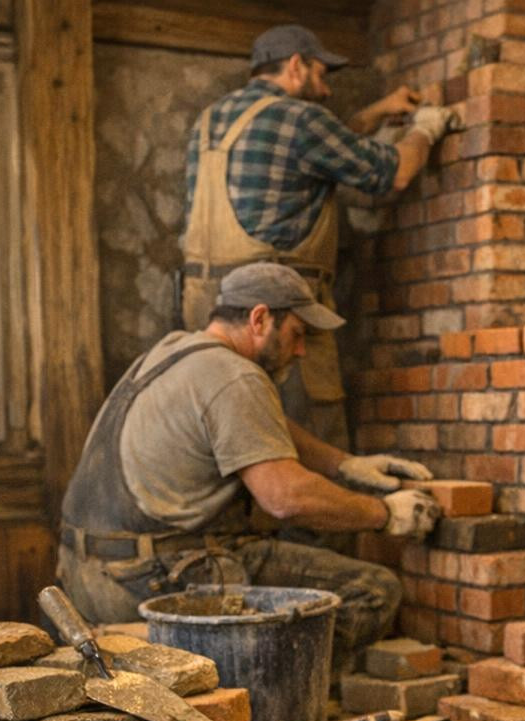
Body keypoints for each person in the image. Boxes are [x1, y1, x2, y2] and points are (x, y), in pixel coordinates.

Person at [57, 263, 442, 664]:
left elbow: (262, 426)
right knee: (375, 589)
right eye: (297, 334)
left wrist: (345, 465)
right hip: (148, 579)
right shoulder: (237, 376)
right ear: (260, 318)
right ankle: (242, 678)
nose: (301, 350)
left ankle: (200, 655)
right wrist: (384, 514)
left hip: (82, 576)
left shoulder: (172, 353)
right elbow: (285, 498)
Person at [180, 23, 455, 450]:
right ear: (296, 66)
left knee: (224, 437)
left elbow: (316, 151)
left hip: (208, 309)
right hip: (276, 313)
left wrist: (380, 111)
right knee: (305, 443)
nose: (326, 91)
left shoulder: (209, 121)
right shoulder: (301, 119)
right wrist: (426, 128)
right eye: (321, 75)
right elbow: (395, 172)